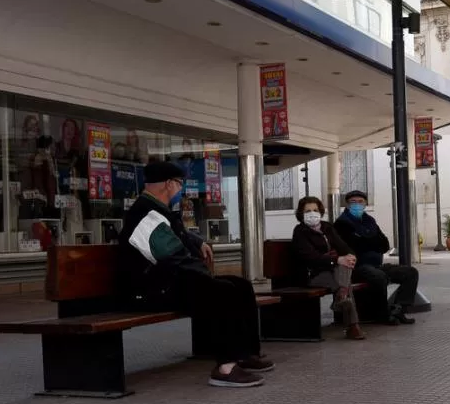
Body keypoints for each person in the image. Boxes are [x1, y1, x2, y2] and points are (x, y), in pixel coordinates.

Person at [117, 161, 273, 387]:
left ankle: (245, 354)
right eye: (180, 184)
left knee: (241, 286)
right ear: (169, 184)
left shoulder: (159, 210)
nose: (180, 189)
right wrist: (204, 274)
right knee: (221, 291)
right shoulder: (145, 213)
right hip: (149, 290)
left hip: (167, 281)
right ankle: (225, 368)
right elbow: (172, 256)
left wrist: (197, 242)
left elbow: (178, 234)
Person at [334, 190, 417, 325]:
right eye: (353, 202)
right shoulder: (342, 223)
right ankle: (383, 314)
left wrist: (365, 240)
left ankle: (398, 309)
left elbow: (384, 245)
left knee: (410, 273)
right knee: (378, 276)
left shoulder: (370, 221)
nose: (357, 205)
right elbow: (353, 247)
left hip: (375, 265)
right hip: (356, 268)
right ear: (347, 205)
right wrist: (371, 241)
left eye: (360, 202)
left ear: (366, 204)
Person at [291, 196, 366, 340]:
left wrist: (351, 256)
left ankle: (341, 298)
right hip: (312, 274)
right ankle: (353, 326)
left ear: (320, 211)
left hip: (332, 270)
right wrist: (336, 259)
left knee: (346, 263)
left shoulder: (327, 227)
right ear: (301, 214)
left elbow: (343, 247)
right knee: (344, 279)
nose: (312, 213)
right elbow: (310, 258)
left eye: (315, 210)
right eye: (307, 211)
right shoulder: (300, 231)